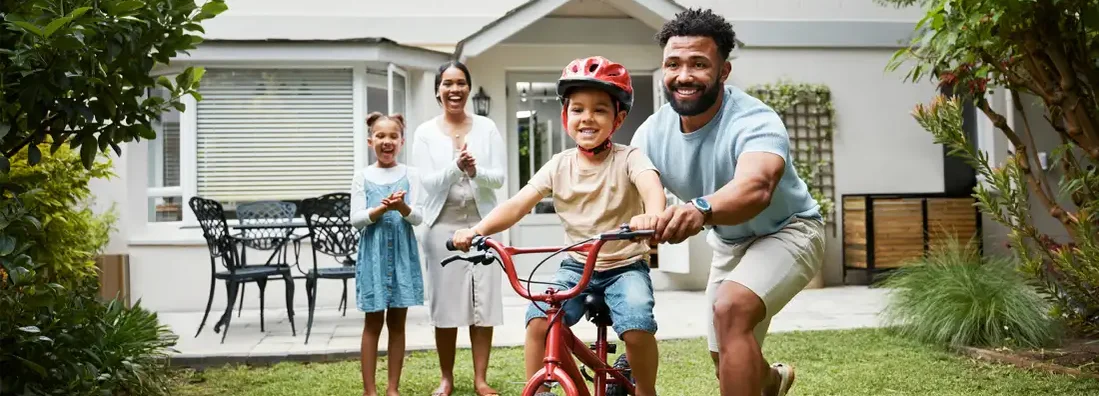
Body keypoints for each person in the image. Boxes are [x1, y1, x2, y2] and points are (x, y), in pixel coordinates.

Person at [630, 8, 827, 396]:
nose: (683, 76)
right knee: (726, 364)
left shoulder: (754, 119)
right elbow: (636, 184)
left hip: (790, 231)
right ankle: (773, 381)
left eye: (699, 64)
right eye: (673, 64)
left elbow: (756, 187)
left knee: (731, 310)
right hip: (729, 242)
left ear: (723, 71)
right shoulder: (653, 131)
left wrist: (698, 209)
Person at [451, 56, 667, 396]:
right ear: (566, 116)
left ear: (618, 118)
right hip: (576, 264)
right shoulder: (558, 165)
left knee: (637, 324)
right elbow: (518, 204)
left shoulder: (630, 157)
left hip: (624, 265)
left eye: (599, 110)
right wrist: (478, 231)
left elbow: (651, 188)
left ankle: (645, 389)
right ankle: (541, 389)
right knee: (539, 318)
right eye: (578, 109)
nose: (587, 118)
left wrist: (651, 215)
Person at [410, 60, 507, 396]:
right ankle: (446, 378)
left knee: (483, 304)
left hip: (483, 225)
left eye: (461, 83)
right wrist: (456, 167)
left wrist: (475, 171)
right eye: (448, 83)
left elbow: (499, 178)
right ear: (438, 90)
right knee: (446, 305)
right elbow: (425, 184)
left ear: (468, 87)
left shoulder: (487, 127)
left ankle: (481, 380)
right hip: (442, 228)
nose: (455, 89)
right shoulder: (425, 133)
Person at [349, 112, 425, 396]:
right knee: (372, 323)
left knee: (397, 323)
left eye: (393, 136)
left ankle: (392, 388)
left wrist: (402, 208)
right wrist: (379, 210)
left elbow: (418, 217)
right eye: (380, 136)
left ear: (401, 141)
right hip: (373, 258)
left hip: (402, 256)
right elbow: (355, 219)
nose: (387, 141)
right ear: (371, 141)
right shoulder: (362, 176)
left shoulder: (412, 175)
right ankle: (370, 390)